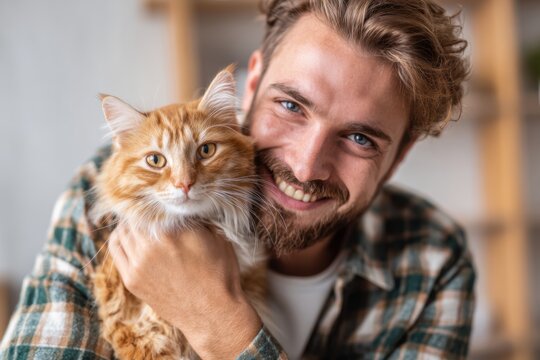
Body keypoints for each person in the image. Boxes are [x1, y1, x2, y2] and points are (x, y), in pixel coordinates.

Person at [0, 0, 475, 359]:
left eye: (358, 138)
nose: (307, 167)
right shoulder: (112, 194)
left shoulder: (433, 257)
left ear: (398, 156)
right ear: (249, 90)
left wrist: (220, 322)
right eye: (291, 106)